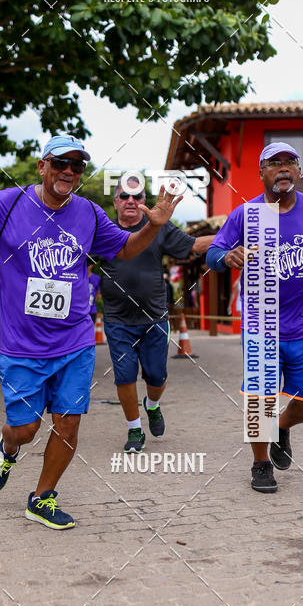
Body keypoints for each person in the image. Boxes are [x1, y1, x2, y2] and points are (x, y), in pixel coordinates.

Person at [0, 135, 182, 529]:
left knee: (68, 422)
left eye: (77, 165)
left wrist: (153, 226)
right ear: (42, 166)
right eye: (60, 163)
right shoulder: (11, 203)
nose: (69, 171)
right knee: (26, 428)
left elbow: (124, 248)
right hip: (22, 345)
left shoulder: (87, 212)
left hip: (74, 339)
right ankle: (9, 444)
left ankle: (41, 498)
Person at [206, 141, 303, 493]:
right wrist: (226, 258)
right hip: (260, 325)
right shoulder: (245, 214)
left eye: (290, 162)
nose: (283, 168)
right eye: (274, 162)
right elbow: (213, 253)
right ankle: (260, 464)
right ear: (261, 173)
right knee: (260, 401)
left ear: (298, 171)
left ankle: (281, 427)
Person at [99, 177, 213, 452]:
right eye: (124, 196)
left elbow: (195, 245)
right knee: (124, 376)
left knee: (157, 377)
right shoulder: (103, 230)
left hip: (154, 319)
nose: (130, 201)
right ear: (115, 202)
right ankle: (134, 430)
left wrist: (236, 236)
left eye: (136, 197)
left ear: (144, 203)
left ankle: (152, 405)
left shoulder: (157, 227)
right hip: (117, 320)